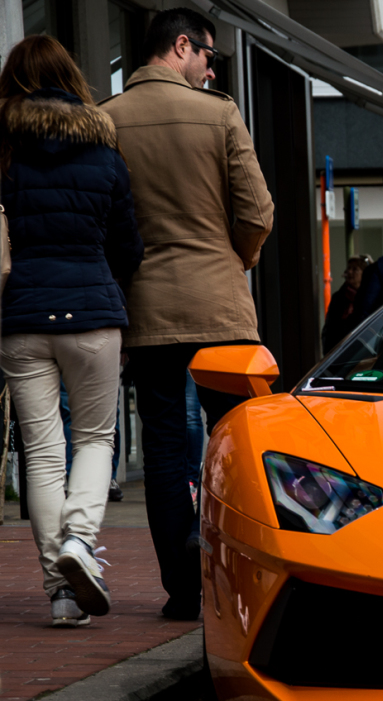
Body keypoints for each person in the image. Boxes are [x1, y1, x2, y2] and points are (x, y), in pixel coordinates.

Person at [101, 7, 274, 621]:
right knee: (239, 445)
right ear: (182, 46)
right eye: (208, 56)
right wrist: (236, 261)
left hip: (148, 308)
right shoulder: (220, 113)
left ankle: (182, 590)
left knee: (167, 447)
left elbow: (107, 223)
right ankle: (247, 579)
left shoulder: (107, 120)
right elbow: (257, 211)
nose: (209, 69)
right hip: (221, 308)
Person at [0, 35, 144, 627]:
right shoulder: (105, 152)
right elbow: (128, 246)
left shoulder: (4, 152)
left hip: (23, 317)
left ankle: (61, 593)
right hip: (92, 313)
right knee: (95, 440)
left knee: (43, 453)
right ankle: (80, 541)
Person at [321, 255, 372, 353]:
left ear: (364, 273)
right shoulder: (338, 297)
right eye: (348, 268)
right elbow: (329, 329)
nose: (349, 272)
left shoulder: (368, 297)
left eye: (355, 269)